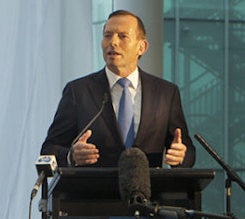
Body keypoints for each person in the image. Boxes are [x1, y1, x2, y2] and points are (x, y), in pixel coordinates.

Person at [41, 10, 195, 168]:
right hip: (93, 191)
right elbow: (49, 151)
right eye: (107, 35)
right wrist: (71, 156)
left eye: (123, 36)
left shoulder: (166, 93)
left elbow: (188, 151)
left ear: (141, 47)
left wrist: (181, 156)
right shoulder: (79, 91)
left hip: (148, 190)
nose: (113, 42)